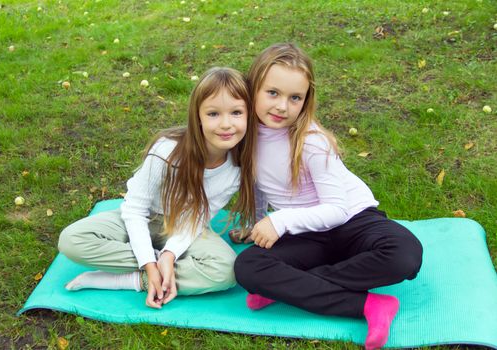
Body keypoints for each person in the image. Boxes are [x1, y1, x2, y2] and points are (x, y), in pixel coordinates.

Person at [233, 43, 423, 350]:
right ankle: (369, 305)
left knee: (405, 254)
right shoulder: (245, 137)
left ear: (306, 100)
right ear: (252, 88)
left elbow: (336, 209)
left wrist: (278, 220)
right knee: (248, 267)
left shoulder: (311, 141)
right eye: (273, 93)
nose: (282, 106)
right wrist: (255, 223)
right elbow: (258, 186)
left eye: (294, 97)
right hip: (307, 236)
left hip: (352, 222)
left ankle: (287, 287)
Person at [58, 67, 256, 309]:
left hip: (184, 226)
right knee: (71, 240)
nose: (226, 124)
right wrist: (150, 262)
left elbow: (197, 217)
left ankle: (130, 280)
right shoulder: (167, 151)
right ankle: (153, 269)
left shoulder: (236, 169)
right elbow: (134, 209)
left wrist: (170, 254)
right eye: (213, 113)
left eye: (236, 112)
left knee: (226, 269)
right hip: (144, 218)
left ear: (249, 115)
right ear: (198, 117)